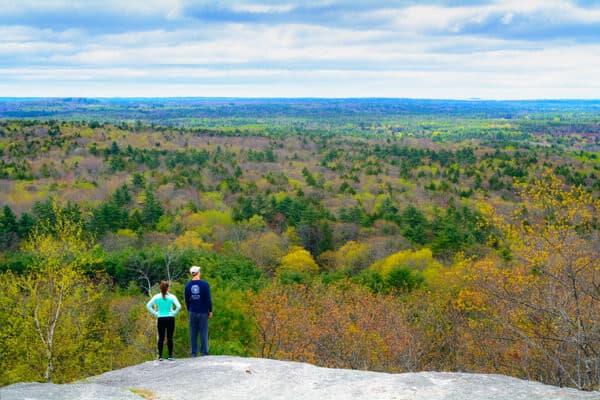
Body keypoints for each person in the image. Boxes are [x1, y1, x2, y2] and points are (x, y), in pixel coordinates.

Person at [146, 281, 181, 361]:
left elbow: (148, 305)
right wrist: (174, 313)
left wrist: (155, 313)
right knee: (170, 337)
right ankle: (170, 356)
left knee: (161, 338)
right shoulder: (172, 297)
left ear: (160, 288)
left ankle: (160, 356)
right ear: (168, 288)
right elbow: (179, 306)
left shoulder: (156, 296)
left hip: (160, 318)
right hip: (170, 318)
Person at [185, 265, 213, 357]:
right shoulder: (205, 284)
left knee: (193, 332)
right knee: (203, 331)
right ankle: (204, 352)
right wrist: (210, 310)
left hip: (192, 311)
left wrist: (189, 310)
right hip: (203, 311)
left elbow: (186, 300)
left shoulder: (188, 285)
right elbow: (208, 299)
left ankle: (194, 353)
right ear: (198, 273)